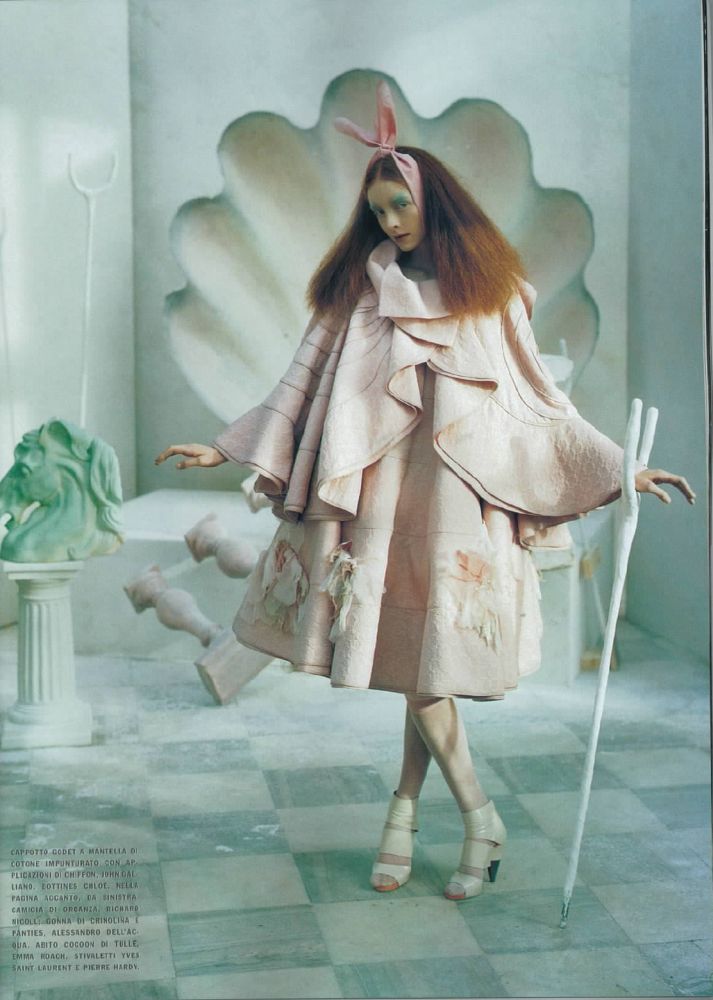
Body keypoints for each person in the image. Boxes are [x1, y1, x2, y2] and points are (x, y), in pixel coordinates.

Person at [156, 81, 695, 901]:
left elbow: (538, 400)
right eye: (377, 210)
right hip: (382, 503)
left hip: (459, 501)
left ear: (431, 200)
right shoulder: (357, 293)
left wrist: (619, 469)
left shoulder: (489, 294)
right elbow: (298, 387)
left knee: (428, 664)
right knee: (419, 663)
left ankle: (420, 812)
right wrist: (224, 446)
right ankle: (464, 814)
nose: (389, 222)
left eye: (399, 204)